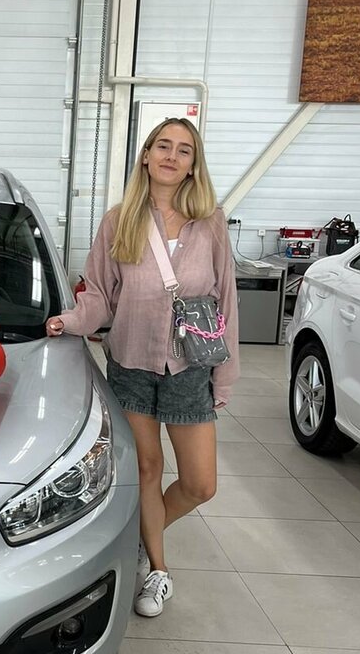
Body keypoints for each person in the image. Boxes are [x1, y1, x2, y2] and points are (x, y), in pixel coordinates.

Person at [46, 117, 239, 617]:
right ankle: (158, 570)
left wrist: (226, 374)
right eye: (163, 146)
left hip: (190, 368)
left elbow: (226, 301)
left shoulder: (210, 223)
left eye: (184, 150)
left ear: (193, 165)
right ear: (147, 156)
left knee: (200, 484)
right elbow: (99, 296)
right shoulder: (119, 221)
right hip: (131, 364)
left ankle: (137, 532)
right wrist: (69, 320)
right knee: (147, 468)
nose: (172, 156)